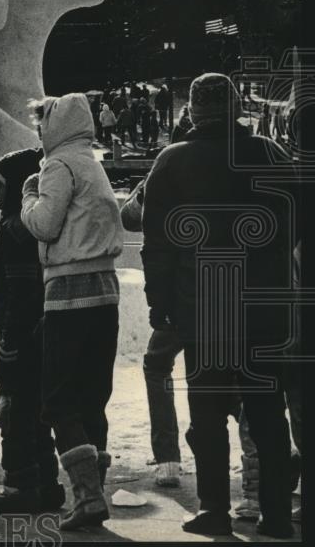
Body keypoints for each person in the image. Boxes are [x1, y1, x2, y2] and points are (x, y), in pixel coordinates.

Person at [141, 73, 297, 539]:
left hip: (202, 309)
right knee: (268, 413)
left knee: (207, 414)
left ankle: (213, 509)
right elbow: (297, 222)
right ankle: (274, 514)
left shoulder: (171, 162)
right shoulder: (269, 154)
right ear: (234, 109)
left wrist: (159, 305)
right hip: (264, 309)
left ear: (192, 111)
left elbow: (157, 244)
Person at [20, 93, 124, 531]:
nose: (39, 130)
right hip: (106, 293)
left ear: (56, 125)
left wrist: (27, 198)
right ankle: (94, 491)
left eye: (42, 122)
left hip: (68, 293)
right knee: (92, 398)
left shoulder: (59, 165)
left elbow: (45, 224)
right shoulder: (92, 162)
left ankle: (87, 496)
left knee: (59, 399)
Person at [0, 148, 65, 514]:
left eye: (0, 186)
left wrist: (7, 341)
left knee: (13, 412)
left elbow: (18, 293)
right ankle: (47, 483)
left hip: (19, 337)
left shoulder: (14, 230)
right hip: (42, 334)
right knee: (37, 412)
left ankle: (19, 484)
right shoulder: (30, 227)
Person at [120, 180, 184, 488]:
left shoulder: (165, 170)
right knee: (229, 372)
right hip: (227, 287)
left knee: (157, 366)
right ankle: (267, 453)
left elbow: (129, 218)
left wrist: (142, 189)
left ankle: (168, 457)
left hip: (179, 295)